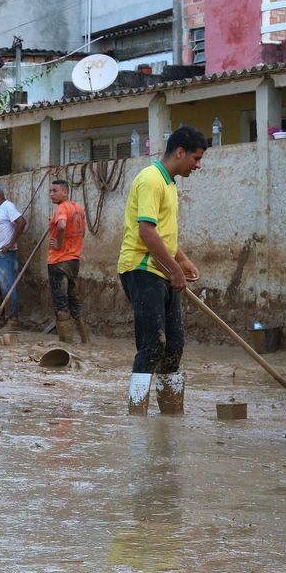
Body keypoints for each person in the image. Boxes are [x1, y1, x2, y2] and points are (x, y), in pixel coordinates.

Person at [119, 126, 206, 416]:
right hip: (142, 268)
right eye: (195, 158)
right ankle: (137, 416)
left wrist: (183, 261)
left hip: (162, 269)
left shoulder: (170, 184)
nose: (198, 165)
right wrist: (175, 270)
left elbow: (164, 234)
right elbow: (146, 232)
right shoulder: (151, 180)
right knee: (152, 344)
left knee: (174, 345)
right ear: (179, 152)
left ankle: (171, 415)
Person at [47, 179, 88, 343]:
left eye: (54, 191)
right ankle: (86, 340)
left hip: (58, 261)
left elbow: (62, 226)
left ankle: (66, 345)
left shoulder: (61, 208)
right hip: (73, 261)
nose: (51, 194)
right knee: (74, 300)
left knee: (60, 303)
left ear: (65, 191)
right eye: (50, 191)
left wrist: (60, 243)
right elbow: (82, 232)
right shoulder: (78, 208)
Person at [0, 183, 26, 329]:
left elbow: (21, 222)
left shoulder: (8, 206)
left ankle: (13, 320)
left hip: (6, 254)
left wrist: (10, 244)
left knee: (8, 286)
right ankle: (1, 319)